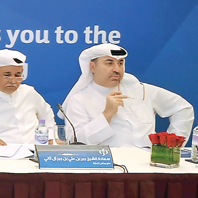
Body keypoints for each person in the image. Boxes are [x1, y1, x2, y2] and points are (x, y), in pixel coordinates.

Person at [61, 43, 193, 147]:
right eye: (109, 63)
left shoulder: (142, 90)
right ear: (93, 67)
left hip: (146, 166)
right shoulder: (79, 99)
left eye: (120, 63)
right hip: (108, 167)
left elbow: (183, 109)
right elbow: (76, 142)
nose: (116, 69)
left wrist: (172, 146)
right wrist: (107, 114)